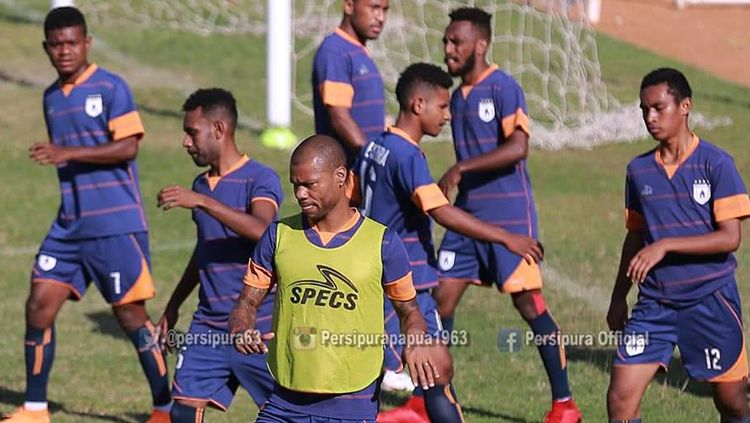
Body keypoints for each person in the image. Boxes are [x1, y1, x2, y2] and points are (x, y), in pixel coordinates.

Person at [3, 6, 171, 423]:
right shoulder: (50, 98)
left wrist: (67, 153)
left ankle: (166, 408)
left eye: (72, 43)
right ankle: (36, 408)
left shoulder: (111, 87)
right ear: (46, 47)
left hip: (115, 225)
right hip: (69, 225)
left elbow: (128, 147)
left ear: (87, 43)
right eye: (56, 44)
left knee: (131, 317)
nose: (64, 51)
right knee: (39, 303)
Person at [359, 62, 544, 423]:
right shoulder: (406, 154)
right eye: (442, 107)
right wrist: (506, 236)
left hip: (374, 279)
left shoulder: (374, 145)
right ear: (418, 104)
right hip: (405, 286)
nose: (447, 116)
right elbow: (440, 211)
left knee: (403, 379)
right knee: (433, 375)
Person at [228, 135, 442, 422]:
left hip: (351, 404)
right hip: (284, 400)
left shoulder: (383, 243)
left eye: (309, 184)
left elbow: (410, 310)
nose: (300, 194)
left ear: (340, 176)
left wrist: (415, 339)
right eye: (295, 184)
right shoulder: (278, 236)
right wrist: (242, 328)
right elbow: (246, 301)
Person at [434, 7, 581, 423]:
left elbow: (518, 148)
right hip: (466, 219)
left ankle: (565, 405)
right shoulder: (458, 96)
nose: (448, 49)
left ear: (480, 44)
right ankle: (435, 401)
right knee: (439, 300)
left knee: (530, 306)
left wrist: (461, 168)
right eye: (446, 41)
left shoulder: (503, 87)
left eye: (456, 42)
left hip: (509, 218)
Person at [606, 68, 750, 423]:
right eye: (644, 110)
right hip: (655, 304)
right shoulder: (639, 171)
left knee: (732, 402)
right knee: (620, 401)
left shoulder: (716, 164)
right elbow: (636, 237)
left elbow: (730, 238)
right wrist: (618, 296)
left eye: (658, 108)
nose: (650, 117)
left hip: (710, 300)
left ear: (684, 106)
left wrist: (667, 245)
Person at [155, 88, 283, 422]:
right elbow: (205, 251)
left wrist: (205, 203)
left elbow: (263, 230)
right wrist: (173, 305)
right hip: (208, 326)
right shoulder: (200, 185)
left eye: (191, 132)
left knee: (287, 413)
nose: (186, 142)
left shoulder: (259, 178)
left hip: (259, 326)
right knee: (182, 411)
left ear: (218, 130)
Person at [312, 0, 388, 167]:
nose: (381, 17)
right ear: (349, 6)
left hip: (364, 169)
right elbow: (340, 119)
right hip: (348, 172)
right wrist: (373, 159)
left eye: (385, 9)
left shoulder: (359, 51)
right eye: (374, 8)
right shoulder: (335, 51)